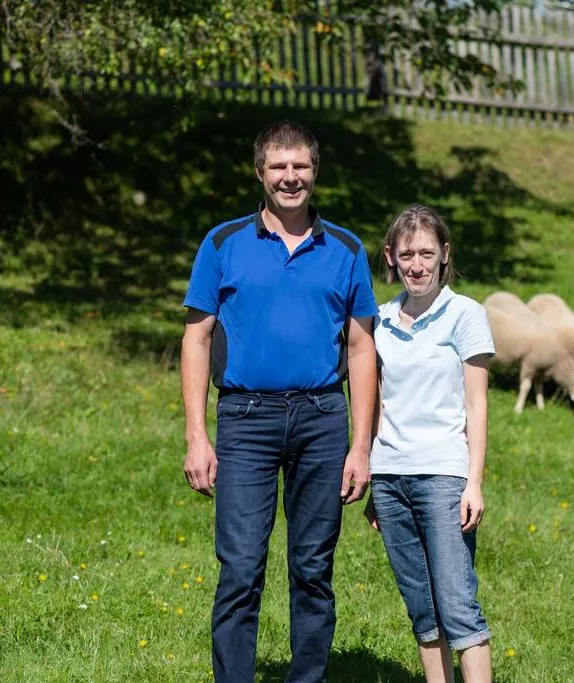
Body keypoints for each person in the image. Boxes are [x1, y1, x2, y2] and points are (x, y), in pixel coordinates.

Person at [180, 120, 378, 683]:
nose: (290, 177)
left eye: (300, 166)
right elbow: (196, 339)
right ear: (260, 173)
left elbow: (363, 349)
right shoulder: (223, 243)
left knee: (313, 568)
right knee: (241, 568)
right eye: (279, 167)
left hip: (322, 419)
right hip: (245, 420)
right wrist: (198, 436)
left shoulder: (345, 248)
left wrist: (360, 446)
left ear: (315, 171)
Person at [365, 204, 494, 683]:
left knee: (458, 605)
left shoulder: (465, 315)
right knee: (421, 607)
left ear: (444, 255)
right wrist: (374, 480)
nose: (417, 264)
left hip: (444, 476)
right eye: (407, 254)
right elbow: (376, 404)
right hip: (390, 477)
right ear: (391, 259)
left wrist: (473, 482)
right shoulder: (379, 322)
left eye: (426, 253)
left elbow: (476, 405)